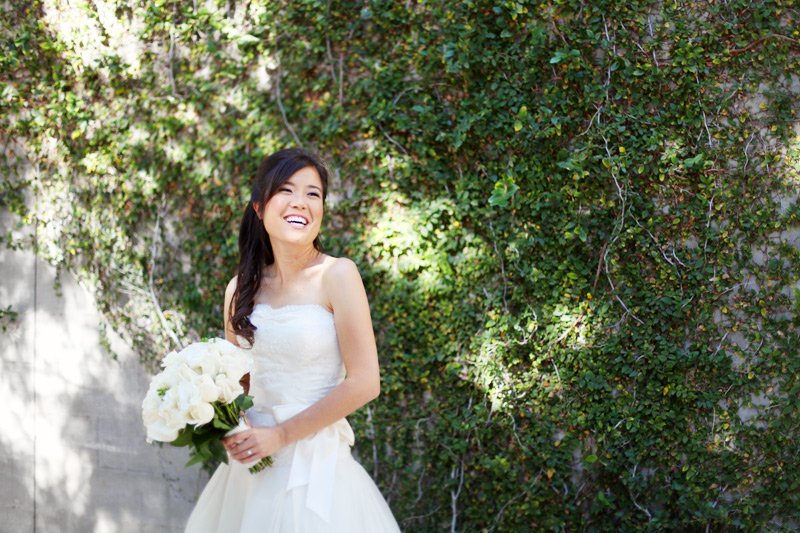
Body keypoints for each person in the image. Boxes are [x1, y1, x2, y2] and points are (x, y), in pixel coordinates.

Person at [184, 148, 400, 532]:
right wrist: (221, 421)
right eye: (286, 189)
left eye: (313, 193)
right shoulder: (240, 290)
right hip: (250, 470)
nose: (301, 202)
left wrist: (280, 435)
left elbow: (366, 382)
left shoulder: (338, 274)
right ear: (258, 206)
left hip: (314, 467)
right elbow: (236, 387)